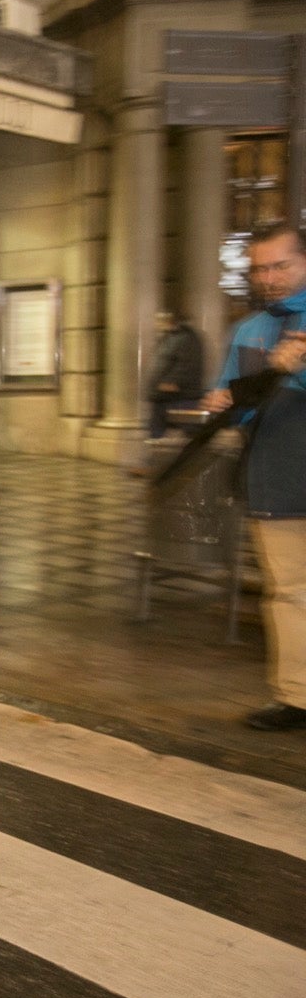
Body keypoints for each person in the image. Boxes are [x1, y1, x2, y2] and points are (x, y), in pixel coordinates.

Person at [204, 224, 306, 731]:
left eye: (280, 265)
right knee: (288, 589)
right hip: (279, 479)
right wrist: (225, 403)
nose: (270, 277)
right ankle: (296, 697)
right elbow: (234, 405)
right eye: (261, 268)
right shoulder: (250, 332)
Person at [146, 310, 204, 440]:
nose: (156, 323)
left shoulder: (186, 338)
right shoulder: (170, 338)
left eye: (160, 319)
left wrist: (170, 383)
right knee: (156, 434)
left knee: (189, 434)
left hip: (179, 396)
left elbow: (187, 365)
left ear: (170, 320)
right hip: (163, 396)